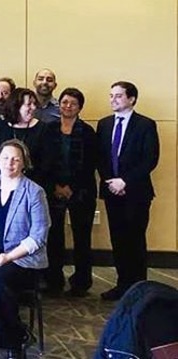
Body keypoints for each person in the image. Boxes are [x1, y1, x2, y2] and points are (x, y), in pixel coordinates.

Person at [0, 139, 50, 359]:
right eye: (5, 158)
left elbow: (38, 237)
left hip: (23, 259)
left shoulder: (34, 192)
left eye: (16, 159)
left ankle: (13, 345)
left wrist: (7, 257)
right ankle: (17, 332)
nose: (9, 163)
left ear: (24, 163)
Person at [96, 81, 159, 301]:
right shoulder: (104, 124)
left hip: (137, 193)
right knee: (118, 240)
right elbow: (101, 158)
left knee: (135, 240)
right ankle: (122, 285)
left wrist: (125, 181)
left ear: (131, 99)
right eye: (111, 95)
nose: (113, 99)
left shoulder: (146, 125)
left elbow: (150, 159)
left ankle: (138, 290)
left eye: (118, 96)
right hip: (111, 191)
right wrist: (111, 182)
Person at [43, 88, 97, 297]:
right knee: (54, 237)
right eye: (64, 102)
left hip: (81, 190)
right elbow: (44, 161)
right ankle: (54, 281)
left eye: (73, 103)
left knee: (82, 238)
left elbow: (90, 163)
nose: (67, 106)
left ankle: (81, 282)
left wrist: (71, 187)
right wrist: (55, 186)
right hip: (53, 190)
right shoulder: (49, 129)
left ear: (80, 107)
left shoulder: (88, 131)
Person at [0, 88, 50, 185]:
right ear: (16, 106)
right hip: (5, 182)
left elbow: (47, 163)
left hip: (35, 183)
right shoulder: (1, 127)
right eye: (29, 104)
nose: (33, 108)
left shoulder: (43, 128)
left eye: (34, 104)